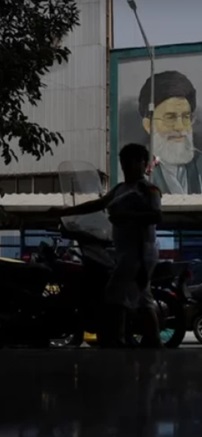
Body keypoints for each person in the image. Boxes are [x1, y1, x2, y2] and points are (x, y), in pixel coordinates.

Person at [52, 143, 163, 348]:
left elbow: (156, 215)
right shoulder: (120, 189)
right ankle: (153, 341)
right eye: (124, 162)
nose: (127, 166)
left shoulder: (148, 189)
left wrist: (127, 216)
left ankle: (116, 340)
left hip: (139, 252)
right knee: (142, 298)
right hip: (125, 252)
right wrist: (66, 212)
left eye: (132, 162)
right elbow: (98, 204)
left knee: (115, 294)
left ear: (142, 163)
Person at [137, 70, 202, 194]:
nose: (180, 127)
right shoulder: (130, 176)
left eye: (186, 117)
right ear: (148, 125)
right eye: (170, 117)